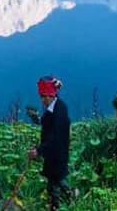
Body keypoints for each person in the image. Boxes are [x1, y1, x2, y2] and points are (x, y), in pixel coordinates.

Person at [29, 77, 71, 210]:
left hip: (56, 153)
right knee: (58, 178)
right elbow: (48, 126)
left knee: (53, 182)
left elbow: (54, 137)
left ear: (51, 95)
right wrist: (37, 119)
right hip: (56, 152)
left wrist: (39, 150)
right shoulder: (57, 105)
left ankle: (55, 206)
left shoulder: (58, 111)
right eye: (41, 96)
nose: (42, 100)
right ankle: (71, 194)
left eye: (44, 96)